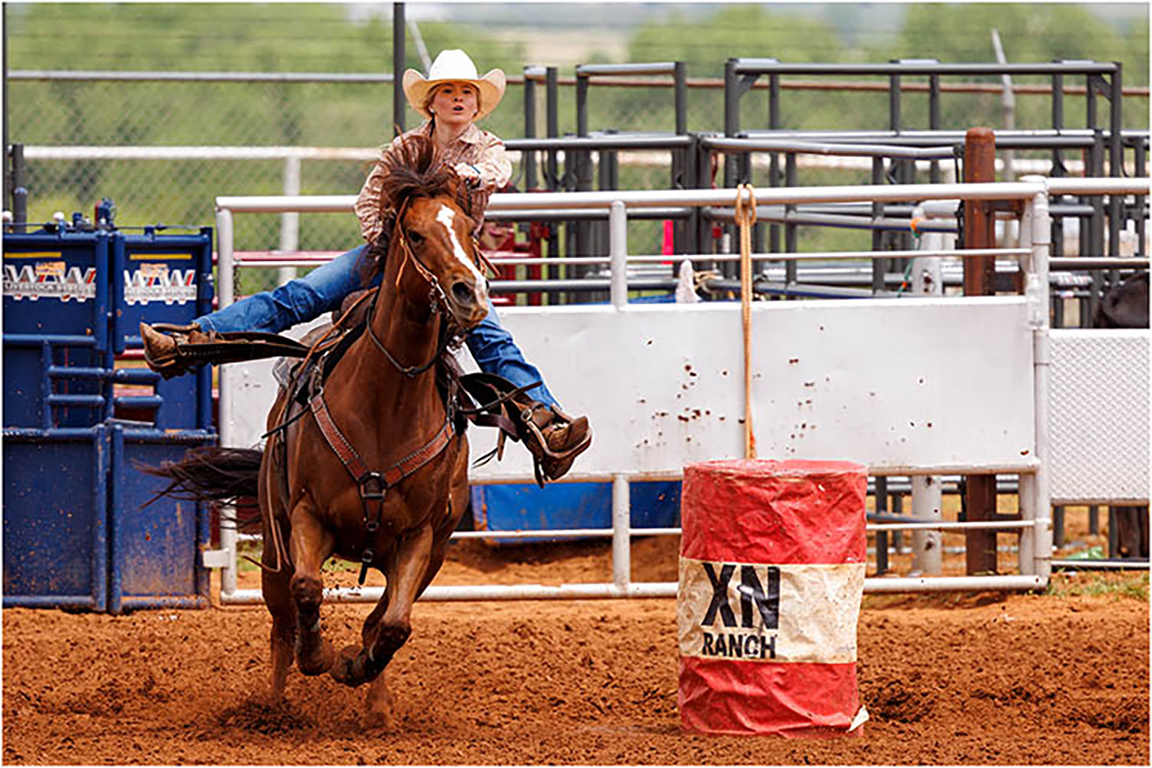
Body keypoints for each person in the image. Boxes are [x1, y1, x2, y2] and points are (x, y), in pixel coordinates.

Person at [139, 49, 591, 480]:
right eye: (448, 90)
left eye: (467, 92)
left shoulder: (486, 149)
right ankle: (192, 339)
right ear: (431, 102)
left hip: (451, 262)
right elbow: (369, 202)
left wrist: (468, 178)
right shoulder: (405, 148)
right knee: (302, 294)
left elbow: (497, 171)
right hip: (395, 254)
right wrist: (389, 245)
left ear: (477, 105)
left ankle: (544, 424)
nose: (458, 98)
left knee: (491, 336)